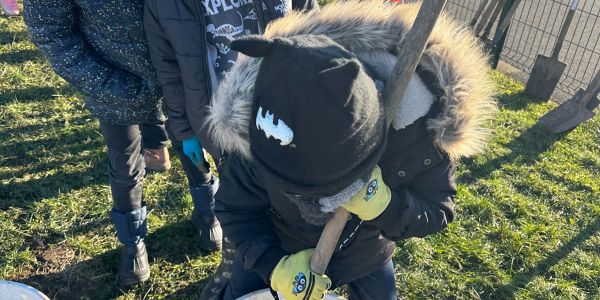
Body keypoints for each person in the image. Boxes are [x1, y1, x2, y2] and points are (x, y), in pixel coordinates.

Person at [206, 2, 495, 299]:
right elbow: (236, 208)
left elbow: (437, 209)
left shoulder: (420, 129)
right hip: (279, 241)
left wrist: (386, 205)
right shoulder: (263, 117)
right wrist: (273, 266)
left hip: (364, 251)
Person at [143, 0, 317, 297]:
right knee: (241, 201)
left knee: (293, 198)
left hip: (288, 113)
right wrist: (186, 131)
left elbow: (314, 25)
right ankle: (238, 261)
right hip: (222, 127)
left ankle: (295, 267)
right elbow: (168, 69)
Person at [23, 0, 171, 286]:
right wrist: (107, 84)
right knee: (125, 162)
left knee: (189, 141)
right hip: (115, 85)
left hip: (176, 78)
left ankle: (206, 212)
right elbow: (50, 30)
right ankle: (133, 241)